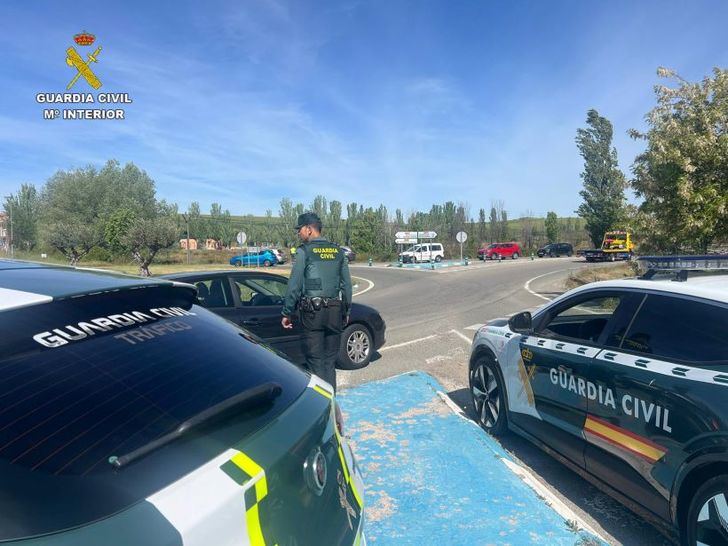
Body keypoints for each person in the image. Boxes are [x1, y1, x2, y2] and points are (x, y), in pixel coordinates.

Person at [281, 212, 352, 391]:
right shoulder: (338, 251)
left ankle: (322, 408)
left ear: (309, 229)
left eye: (300, 230)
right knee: (329, 362)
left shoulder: (304, 252)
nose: (298, 233)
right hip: (335, 312)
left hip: (313, 314)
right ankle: (332, 401)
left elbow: (294, 285)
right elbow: (347, 286)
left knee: (315, 361)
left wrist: (287, 312)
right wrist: (346, 311)